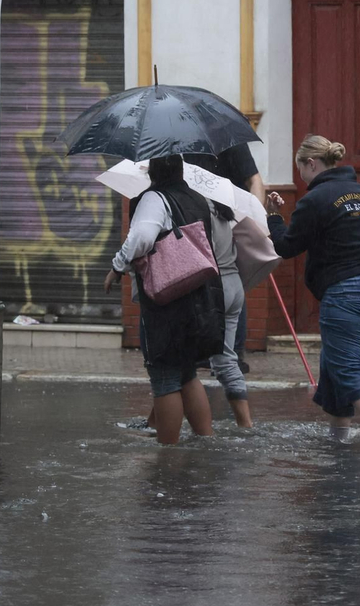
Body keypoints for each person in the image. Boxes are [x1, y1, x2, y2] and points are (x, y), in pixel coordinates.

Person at [264, 135, 360, 444]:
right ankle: (338, 439)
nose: (299, 175)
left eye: (300, 168)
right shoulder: (359, 191)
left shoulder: (316, 198)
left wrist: (273, 217)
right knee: (334, 368)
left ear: (311, 163)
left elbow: (286, 246)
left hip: (345, 294)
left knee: (348, 369)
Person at [104, 155, 225, 444]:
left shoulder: (155, 198)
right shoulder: (197, 198)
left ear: (152, 170)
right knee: (186, 372)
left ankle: (168, 451)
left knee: (164, 375)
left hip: (167, 300)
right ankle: (204, 440)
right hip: (198, 297)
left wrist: (117, 266)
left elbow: (142, 237)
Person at [185, 142, 265, 375]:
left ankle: (234, 352)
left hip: (227, 221)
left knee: (229, 281)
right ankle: (206, 351)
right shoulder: (183, 143)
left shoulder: (229, 143)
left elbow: (254, 180)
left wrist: (255, 222)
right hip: (193, 222)